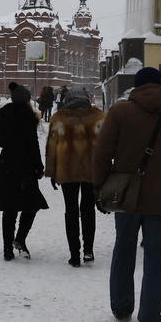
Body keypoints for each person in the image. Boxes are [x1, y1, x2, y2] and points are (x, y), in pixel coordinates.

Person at [92, 67, 161, 322]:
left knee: (124, 251)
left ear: (136, 87)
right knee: (155, 259)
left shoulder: (120, 113)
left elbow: (101, 155)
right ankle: (151, 321)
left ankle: (122, 307)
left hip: (126, 198)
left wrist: (101, 189)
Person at [45, 87, 106, 267]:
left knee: (70, 211)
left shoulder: (59, 118)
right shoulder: (99, 117)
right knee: (88, 210)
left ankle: (74, 254)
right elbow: (105, 148)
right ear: (86, 99)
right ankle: (88, 250)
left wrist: (52, 172)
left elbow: (51, 148)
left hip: (67, 171)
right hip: (92, 172)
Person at [0, 81, 48, 261]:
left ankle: (7, 249)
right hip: (25, 167)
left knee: (9, 208)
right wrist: (39, 167)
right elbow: (33, 145)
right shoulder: (28, 117)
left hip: (7, 165)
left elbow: (0, 142)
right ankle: (20, 239)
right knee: (31, 204)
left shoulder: (5, 114)